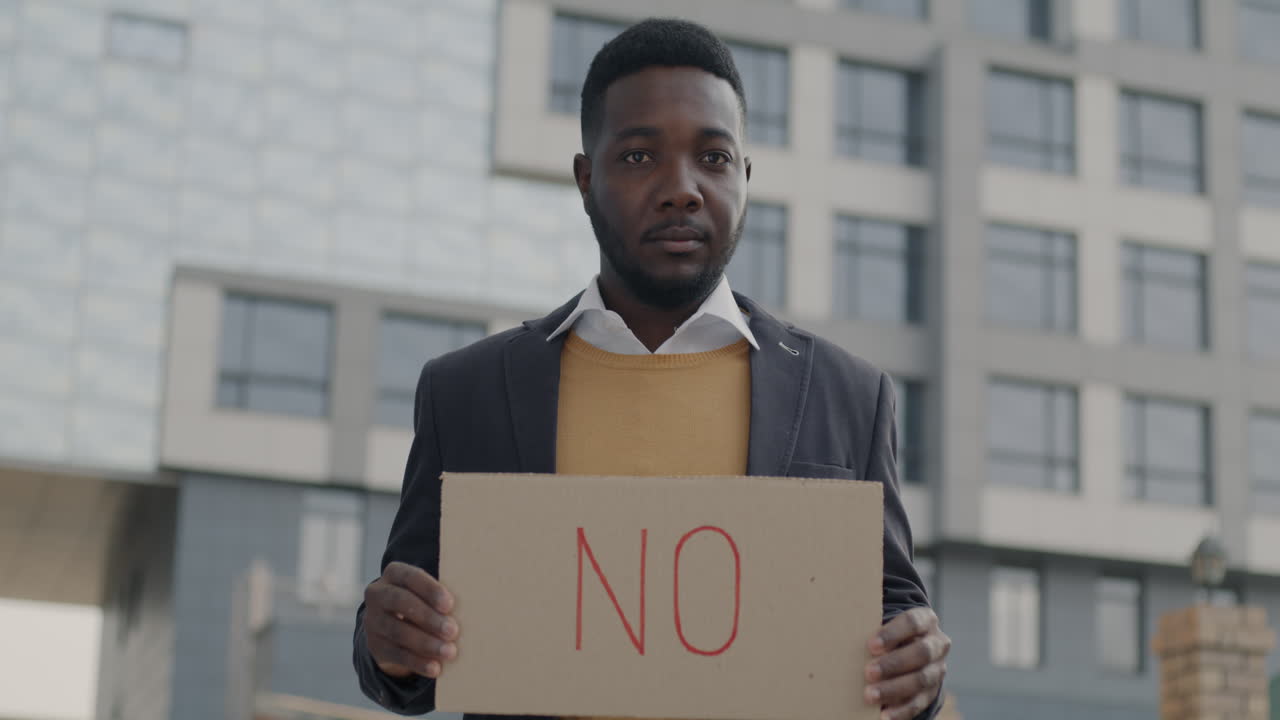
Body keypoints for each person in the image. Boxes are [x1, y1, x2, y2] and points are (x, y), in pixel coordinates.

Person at [353, 17, 950, 720]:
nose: (682, 189)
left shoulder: (848, 395)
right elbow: (406, 656)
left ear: (747, 178)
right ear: (585, 177)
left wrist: (922, 666)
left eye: (715, 159)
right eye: (639, 158)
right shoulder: (469, 392)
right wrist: (385, 638)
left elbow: (896, 622)